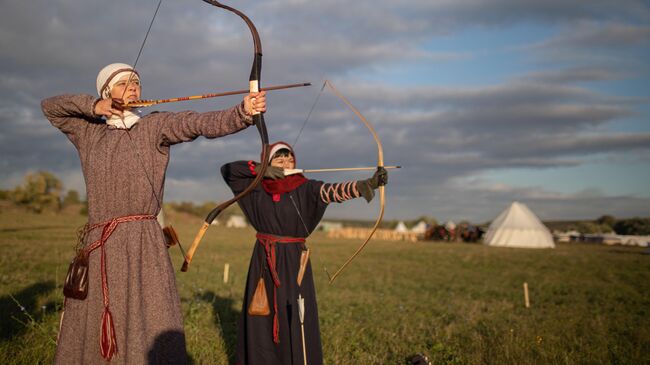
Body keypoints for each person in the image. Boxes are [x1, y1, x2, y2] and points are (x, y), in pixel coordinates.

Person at [41, 62, 266, 364]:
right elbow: (51, 107)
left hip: (143, 241)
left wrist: (242, 112)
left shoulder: (154, 126)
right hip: (102, 244)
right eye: (124, 83)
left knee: (148, 316)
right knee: (98, 318)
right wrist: (95, 106)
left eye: (137, 82)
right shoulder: (88, 133)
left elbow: (197, 124)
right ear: (108, 91)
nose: (133, 87)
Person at [221, 141, 387, 365]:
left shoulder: (306, 187)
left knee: (295, 315)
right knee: (261, 315)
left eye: (289, 158)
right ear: (268, 163)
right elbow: (229, 170)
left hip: (294, 261)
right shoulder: (255, 188)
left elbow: (332, 192)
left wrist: (367, 184)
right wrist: (261, 171)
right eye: (278, 159)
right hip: (263, 259)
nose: (286, 162)